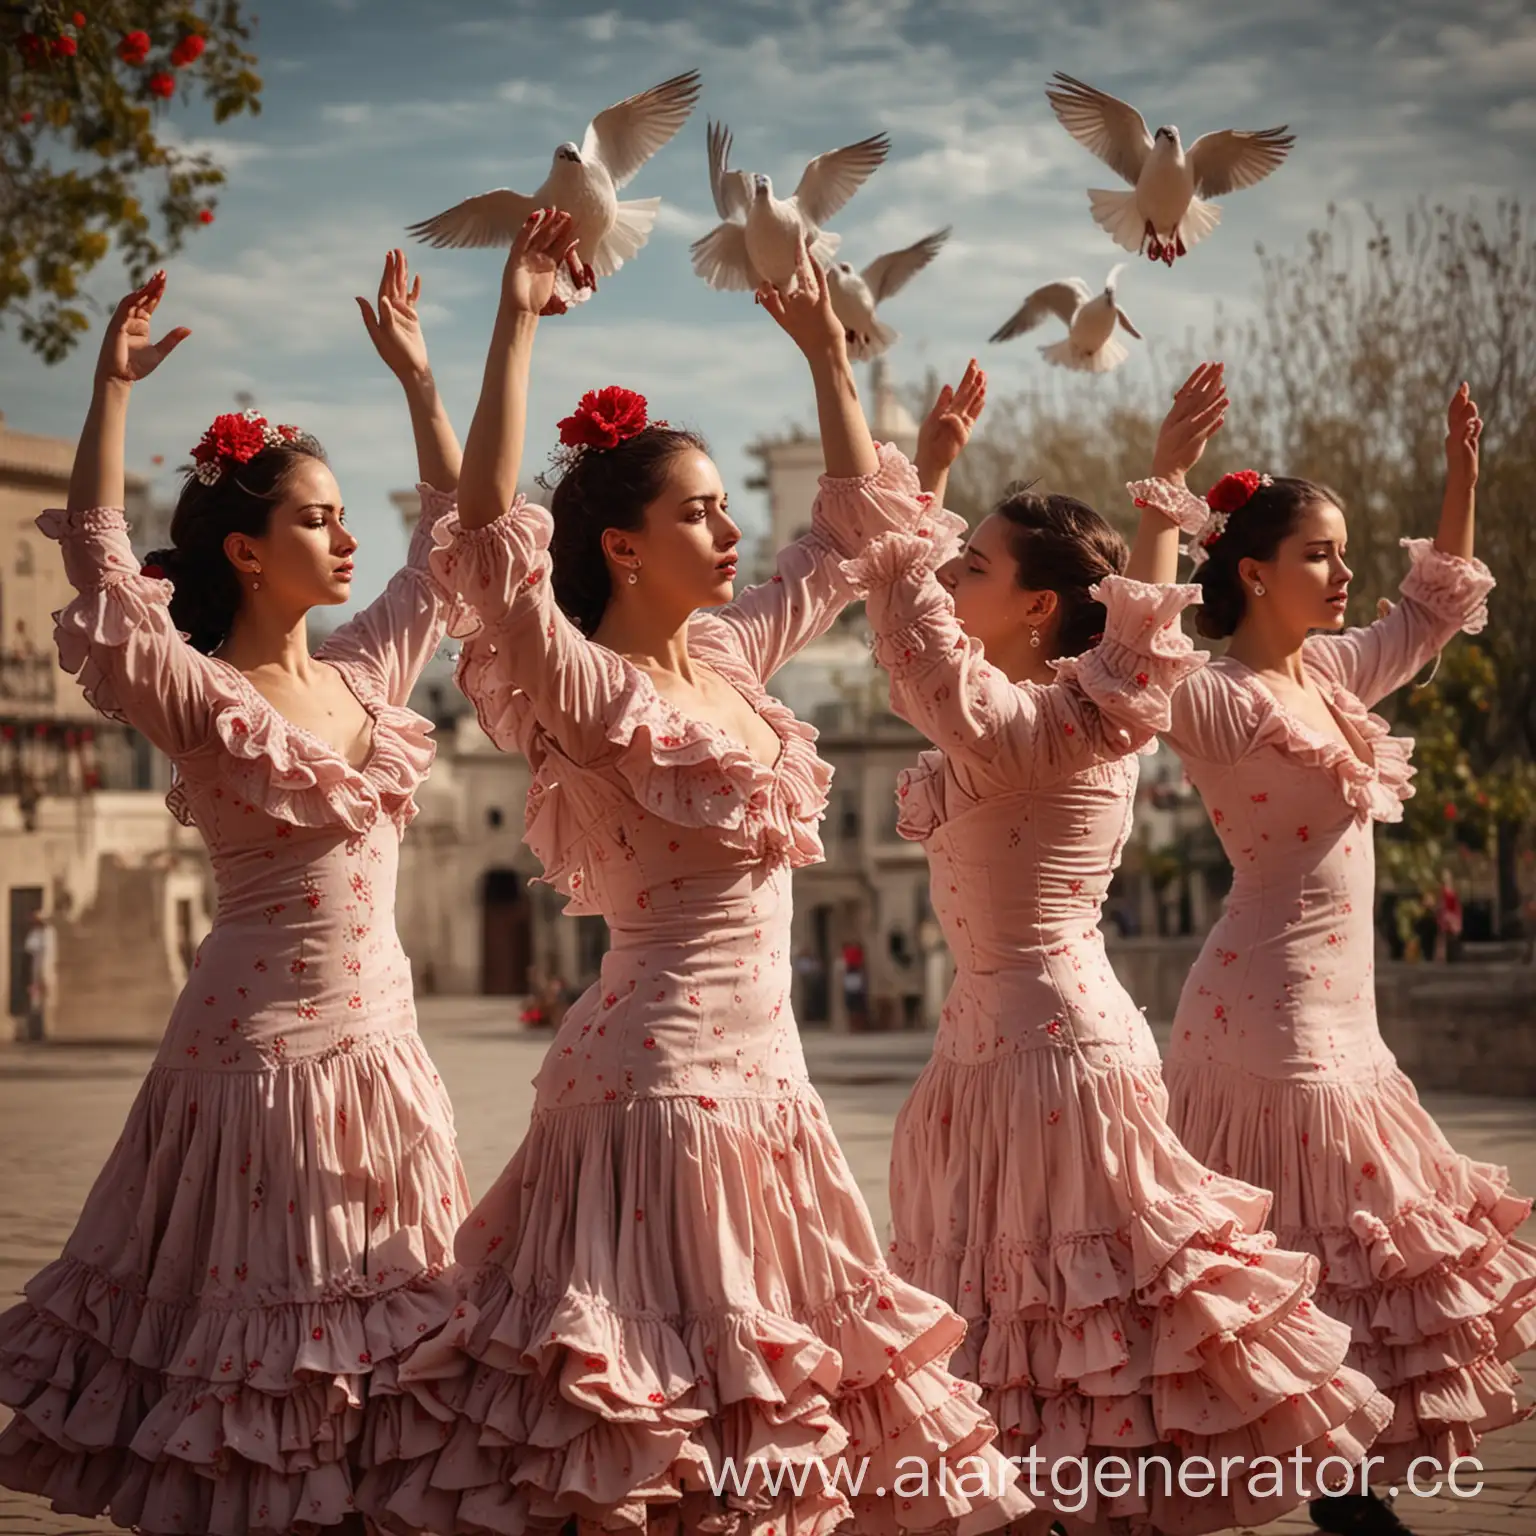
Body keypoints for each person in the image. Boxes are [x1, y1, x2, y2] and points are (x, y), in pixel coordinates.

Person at [355, 212, 1034, 1536]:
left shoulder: (728, 661)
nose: (729, 532)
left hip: (769, 1099)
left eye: (731, 506)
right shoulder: (584, 684)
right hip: (652, 1100)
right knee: (658, 1428)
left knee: (758, 1423)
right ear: (620, 543)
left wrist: (829, 354)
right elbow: (489, 532)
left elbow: (848, 537)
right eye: (699, 511)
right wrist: (518, 319)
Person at [857, 360, 1391, 1532]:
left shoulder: (1051, 726)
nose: (954, 582)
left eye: (977, 568)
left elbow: (916, 627)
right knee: (1016, 1347)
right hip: (980, 1071)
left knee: (1103, 1340)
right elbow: (921, 625)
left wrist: (1161, 503)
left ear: (1040, 606)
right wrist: (936, 473)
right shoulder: (1010, 719)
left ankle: (1325, 1499)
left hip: (1059, 1066)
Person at [0, 255, 475, 1534]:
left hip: (386, 1060)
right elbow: (102, 574)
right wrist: (107, 389)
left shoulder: (372, 676)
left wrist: (423, 378)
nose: (344, 537)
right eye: (315, 518)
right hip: (258, 1070)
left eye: (337, 513)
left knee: (384, 1372)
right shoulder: (202, 696)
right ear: (246, 553)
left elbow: (448, 535)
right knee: (262, 1371)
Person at [1131, 381, 1536, 1534]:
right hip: (1269, 1018)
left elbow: (1434, 606)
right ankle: (1335, 1503)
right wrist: (1168, 474)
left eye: (1346, 552)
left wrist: (1464, 469)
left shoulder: (1332, 674)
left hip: (1343, 1017)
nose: (1344, 573)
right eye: (1321, 553)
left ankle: (1338, 1490)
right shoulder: (1218, 698)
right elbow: (1144, 639)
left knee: (1342, 1256)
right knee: (1309, 1254)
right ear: (1254, 571)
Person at [21, 909, 55, 1042]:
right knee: (35, 1003)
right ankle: (34, 1032)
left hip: (46, 973)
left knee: (45, 1003)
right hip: (36, 974)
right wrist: (30, 978)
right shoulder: (34, 936)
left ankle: (42, 1031)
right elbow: (30, 958)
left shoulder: (49, 935)